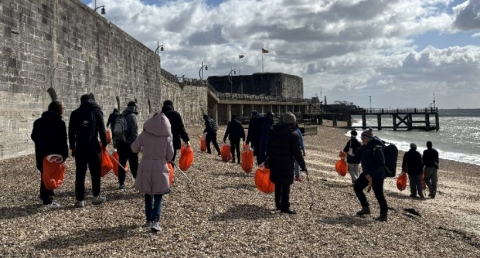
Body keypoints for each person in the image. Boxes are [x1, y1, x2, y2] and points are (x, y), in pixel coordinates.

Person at [131, 112, 174, 232]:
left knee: (148, 193)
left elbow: (134, 148)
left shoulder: (145, 133)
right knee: (158, 194)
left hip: (146, 164)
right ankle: (156, 221)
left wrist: (143, 149)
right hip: (160, 166)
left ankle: (148, 219)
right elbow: (170, 156)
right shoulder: (167, 136)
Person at [68, 94, 107, 208]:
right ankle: (96, 196)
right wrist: (104, 144)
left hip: (80, 147)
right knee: (95, 173)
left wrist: (72, 146)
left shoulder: (75, 113)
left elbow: (71, 132)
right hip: (93, 146)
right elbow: (102, 129)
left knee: (80, 174)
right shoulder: (96, 112)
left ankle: (80, 200)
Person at [267, 112, 307, 215]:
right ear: (293, 123)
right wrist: (303, 166)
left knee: (277, 183)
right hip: (287, 163)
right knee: (285, 185)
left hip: (275, 161)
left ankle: (277, 203)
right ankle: (285, 206)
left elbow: (268, 147)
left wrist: (270, 158)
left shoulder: (274, 131)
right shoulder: (294, 134)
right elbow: (297, 152)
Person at [31, 101, 68, 207]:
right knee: (51, 175)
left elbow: (34, 136)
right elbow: (63, 140)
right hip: (54, 154)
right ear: (59, 110)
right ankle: (47, 200)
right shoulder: (60, 123)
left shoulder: (38, 122)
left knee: (44, 173)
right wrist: (64, 155)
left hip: (41, 152)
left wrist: (41, 144)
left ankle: (44, 194)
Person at [353, 129, 388, 222]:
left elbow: (381, 163)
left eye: (363, 138)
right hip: (366, 173)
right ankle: (365, 208)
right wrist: (345, 156)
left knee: (379, 194)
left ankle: (383, 215)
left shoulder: (376, 147)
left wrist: (371, 174)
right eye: (361, 137)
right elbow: (356, 156)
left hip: (377, 175)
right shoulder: (364, 146)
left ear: (368, 138)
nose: (361, 139)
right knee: (357, 187)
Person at [116, 101, 139, 190]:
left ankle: (121, 183)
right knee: (134, 163)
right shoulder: (133, 116)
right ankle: (137, 181)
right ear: (134, 107)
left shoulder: (120, 116)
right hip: (130, 144)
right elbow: (134, 132)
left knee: (122, 163)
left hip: (121, 143)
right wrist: (136, 144)